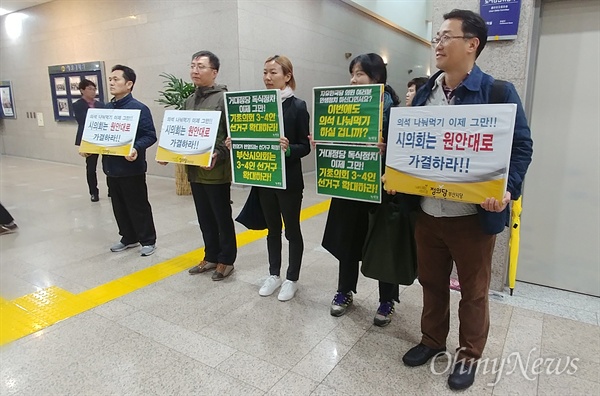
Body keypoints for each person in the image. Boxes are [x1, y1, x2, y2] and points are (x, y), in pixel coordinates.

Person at [399, 10, 533, 391]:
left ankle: (469, 354)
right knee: (431, 282)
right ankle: (431, 340)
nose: (437, 44)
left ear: (472, 44)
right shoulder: (425, 92)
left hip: (471, 218)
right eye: (435, 38)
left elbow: (521, 147)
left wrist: (509, 190)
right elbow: (412, 145)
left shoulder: (497, 92)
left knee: (473, 292)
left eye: (446, 37)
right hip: (427, 212)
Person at [322, 53, 401, 326]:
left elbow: (406, 152)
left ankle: (387, 299)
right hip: (350, 185)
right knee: (347, 241)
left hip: (381, 190)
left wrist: (388, 149)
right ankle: (344, 291)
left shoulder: (393, 112)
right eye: (352, 73)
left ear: (376, 78)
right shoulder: (343, 107)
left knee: (382, 246)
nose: (353, 80)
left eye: (360, 74)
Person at [236, 55, 311, 301]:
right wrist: (235, 143)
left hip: (288, 180)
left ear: (287, 76)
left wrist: (289, 149)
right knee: (272, 230)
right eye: (265, 73)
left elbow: (305, 146)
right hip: (265, 177)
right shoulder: (258, 105)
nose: (267, 78)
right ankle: (273, 274)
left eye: (273, 73)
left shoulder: (297, 106)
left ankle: (292, 278)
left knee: (292, 230)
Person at [182, 51, 237, 281]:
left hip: (216, 172)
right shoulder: (188, 101)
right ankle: (210, 255)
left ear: (214, 72)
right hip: (195, 170)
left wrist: (219, 153)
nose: (195, 70)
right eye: (193, 65)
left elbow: (233, 138)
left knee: (221, 217)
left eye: (201, 66)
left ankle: (226, 260)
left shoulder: (224, 99)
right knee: (204, 217)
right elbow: (184, 133)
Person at [104, 64, 158, 257]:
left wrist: (136, 147)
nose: (111, 82)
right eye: (110, 79)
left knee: (138, 205)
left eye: (116, 79)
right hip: (111, 167)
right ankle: (128, 237)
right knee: (118, 206)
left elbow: (150, 135)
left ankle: (148, 240)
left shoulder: (139, 108)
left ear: (129, 84)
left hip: (131, 167)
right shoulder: (106, 109)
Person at [73, 78, 104, 202]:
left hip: (102, 137)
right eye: (90, 89)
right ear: (82, 90)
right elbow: (82, 121)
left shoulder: (101, 105)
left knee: (108, 164)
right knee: (91, 167)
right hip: (88, 139)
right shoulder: (78, 105)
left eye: (94, 89)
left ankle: (112, 190)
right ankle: (93, 192)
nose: (93, 91)